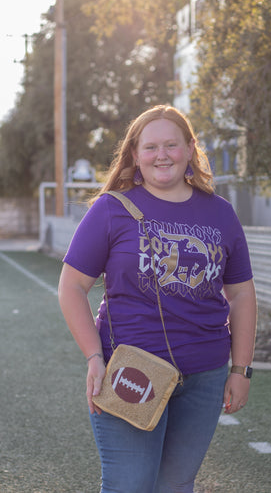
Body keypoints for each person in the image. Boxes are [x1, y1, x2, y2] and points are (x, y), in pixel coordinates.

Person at [58, 104, 257, 493]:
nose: (161, 155)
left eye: (171, 144)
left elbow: (241, 294)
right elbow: (71, 287)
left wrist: (241, 369)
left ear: (188, 149)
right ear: (135, 154)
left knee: (176, 485)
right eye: (150, 147)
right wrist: (94, 357)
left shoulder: (220, 213)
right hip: (132, 372)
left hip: (205, 376)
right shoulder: (111, 210)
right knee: (129, 486)